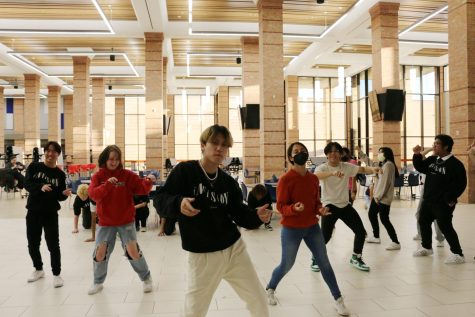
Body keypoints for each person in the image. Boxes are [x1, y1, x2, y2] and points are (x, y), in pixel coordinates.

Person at [155, 124, 272, 317]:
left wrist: (256, 217)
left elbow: (240, 213)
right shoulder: (185, 171)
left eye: (224, 145)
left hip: (234, 249)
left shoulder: (228, 182)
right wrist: (178, 203)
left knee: (258, 298)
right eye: (214, 143)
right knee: (195, 310)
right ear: (203, 145)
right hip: (203, 255)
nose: (219, 148)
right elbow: (160, 199)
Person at [266, 142, 349, 316]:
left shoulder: (313, 179)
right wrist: (293, 209)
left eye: (303, 150)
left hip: (312, 226)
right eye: (296, 151)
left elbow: (316, 203)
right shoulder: (285, 180)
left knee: (324, 262)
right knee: (287, 264)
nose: (300, 153)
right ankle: (270, 288)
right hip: (291, 228)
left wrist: (320, 209)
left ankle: (338, 299)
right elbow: (280, 207)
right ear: (290, 158)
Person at [87, 145, 157, 295]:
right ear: (105, 159)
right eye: (111, 159)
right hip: (105, 222)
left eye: (117, 159)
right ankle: (98, 282)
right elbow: (93, 195)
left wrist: (150, 180)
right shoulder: (98, 177)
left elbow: (141, 188)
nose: (114, 162)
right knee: (100, 253)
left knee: (133, 251)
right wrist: (108, 185)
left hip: (126, 221)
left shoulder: (127, 175)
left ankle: (146, 278)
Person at [315, 142, 381, 271]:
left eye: (336, 151)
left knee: (361, 232)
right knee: (326, 236)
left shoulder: (346, 167)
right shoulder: (323, 168)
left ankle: (356, 257)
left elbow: (361, 169)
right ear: (327, 154)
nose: (333, 154)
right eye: (331, 151)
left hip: (345, 206)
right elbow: (316, 176)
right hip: (330, 206)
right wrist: (332, 174)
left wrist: (372, 169)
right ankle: (315, 257)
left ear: (341, 154)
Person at [412, 134, 467, 264]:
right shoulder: (433, 160)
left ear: (446, 147)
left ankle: (458, 254)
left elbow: (461, 184)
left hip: (443, 203)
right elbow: (420, 166)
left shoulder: (456, 164)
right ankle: (426, 247)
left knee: (445, 226)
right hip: (429, 200)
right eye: (434, 143)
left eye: (437, 143)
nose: (434, 146)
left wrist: (450, 198)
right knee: (423, 221)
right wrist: (416, 154)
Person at [24, 141, 72, 288]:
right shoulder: (34, 167)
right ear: (44, 152)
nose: (50, 154)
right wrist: (41, 186)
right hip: (33, 211)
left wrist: (64, 194)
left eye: (54, 152)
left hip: (50, 213)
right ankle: (38, 269)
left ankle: (57, 274)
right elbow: (27, 184)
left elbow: (59, 196)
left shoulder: (59, 174)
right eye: (48, 151)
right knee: (33, 243)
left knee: (53, 245)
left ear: (58, 154)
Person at [365, 147, 401, 250]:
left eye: (381, 152)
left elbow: (385, 182)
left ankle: (395, 242)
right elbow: (370, 163)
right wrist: (361, 153)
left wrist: (378, 196)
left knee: (384, 219)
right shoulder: (383, 164)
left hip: (382, 197)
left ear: (387, 154)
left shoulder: (389, 165)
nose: (379, 154)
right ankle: (376, 236)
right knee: (372, 214)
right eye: (378, 152)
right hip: (378, 196)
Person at [413, 147, 445, 247]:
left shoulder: (437, 161)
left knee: (435, 216)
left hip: (433, 191)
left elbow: (422, 155)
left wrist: (431, 149)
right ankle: (420, 233)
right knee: (419, 213)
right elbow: (420, 156)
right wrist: (430, 149)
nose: (435, 147)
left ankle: (440, 238)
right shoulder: (426, 161)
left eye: (436, 145)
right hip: (424, 190)